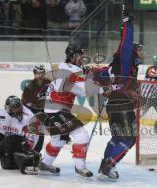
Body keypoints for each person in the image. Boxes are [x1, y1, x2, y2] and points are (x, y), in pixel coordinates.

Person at [38, 44, 117, 178]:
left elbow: (85, 76)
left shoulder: (69, 67)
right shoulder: (70, 71)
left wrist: (105, 70)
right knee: (81, 135)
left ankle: (45, 163)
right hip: (56, 110)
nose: (82, 58)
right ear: (72, 56)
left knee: (59, 139)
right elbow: (84, 89)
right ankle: (80, 167)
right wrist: (104, 89)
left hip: (54, 110)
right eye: (80, 56)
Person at [98, 14, 143, 180]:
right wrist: (127, 23)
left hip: (113, 104)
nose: (141, 53)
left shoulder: (113, 66)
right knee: (131, 138)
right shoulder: (125, 58)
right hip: (122, 104)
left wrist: (106, 89)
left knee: (117, 137)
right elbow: (126, 41)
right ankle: (109, 164)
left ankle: (105, 164)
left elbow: (102, 78)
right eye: (138, 49)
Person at [0, 95, 40, 174]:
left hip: (24, 140)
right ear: (8, 108)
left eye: (18, 107)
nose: (17, 110)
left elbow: (33, 136)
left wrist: (27, 147)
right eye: (14, 108)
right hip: (9, 141)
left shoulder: (29, 117)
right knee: (7, 166)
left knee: (27, 159)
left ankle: (34, 156)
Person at [21, 65, 51, 153]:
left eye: (42, 73)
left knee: (41, 131)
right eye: (38, 73)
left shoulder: (49, 83)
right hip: (32, 111)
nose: (40, 75)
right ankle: (27, 149)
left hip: (43, 111)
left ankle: (37, 152)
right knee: (32, 131)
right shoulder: (30, 85)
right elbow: (24, 101)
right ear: (34, 73)